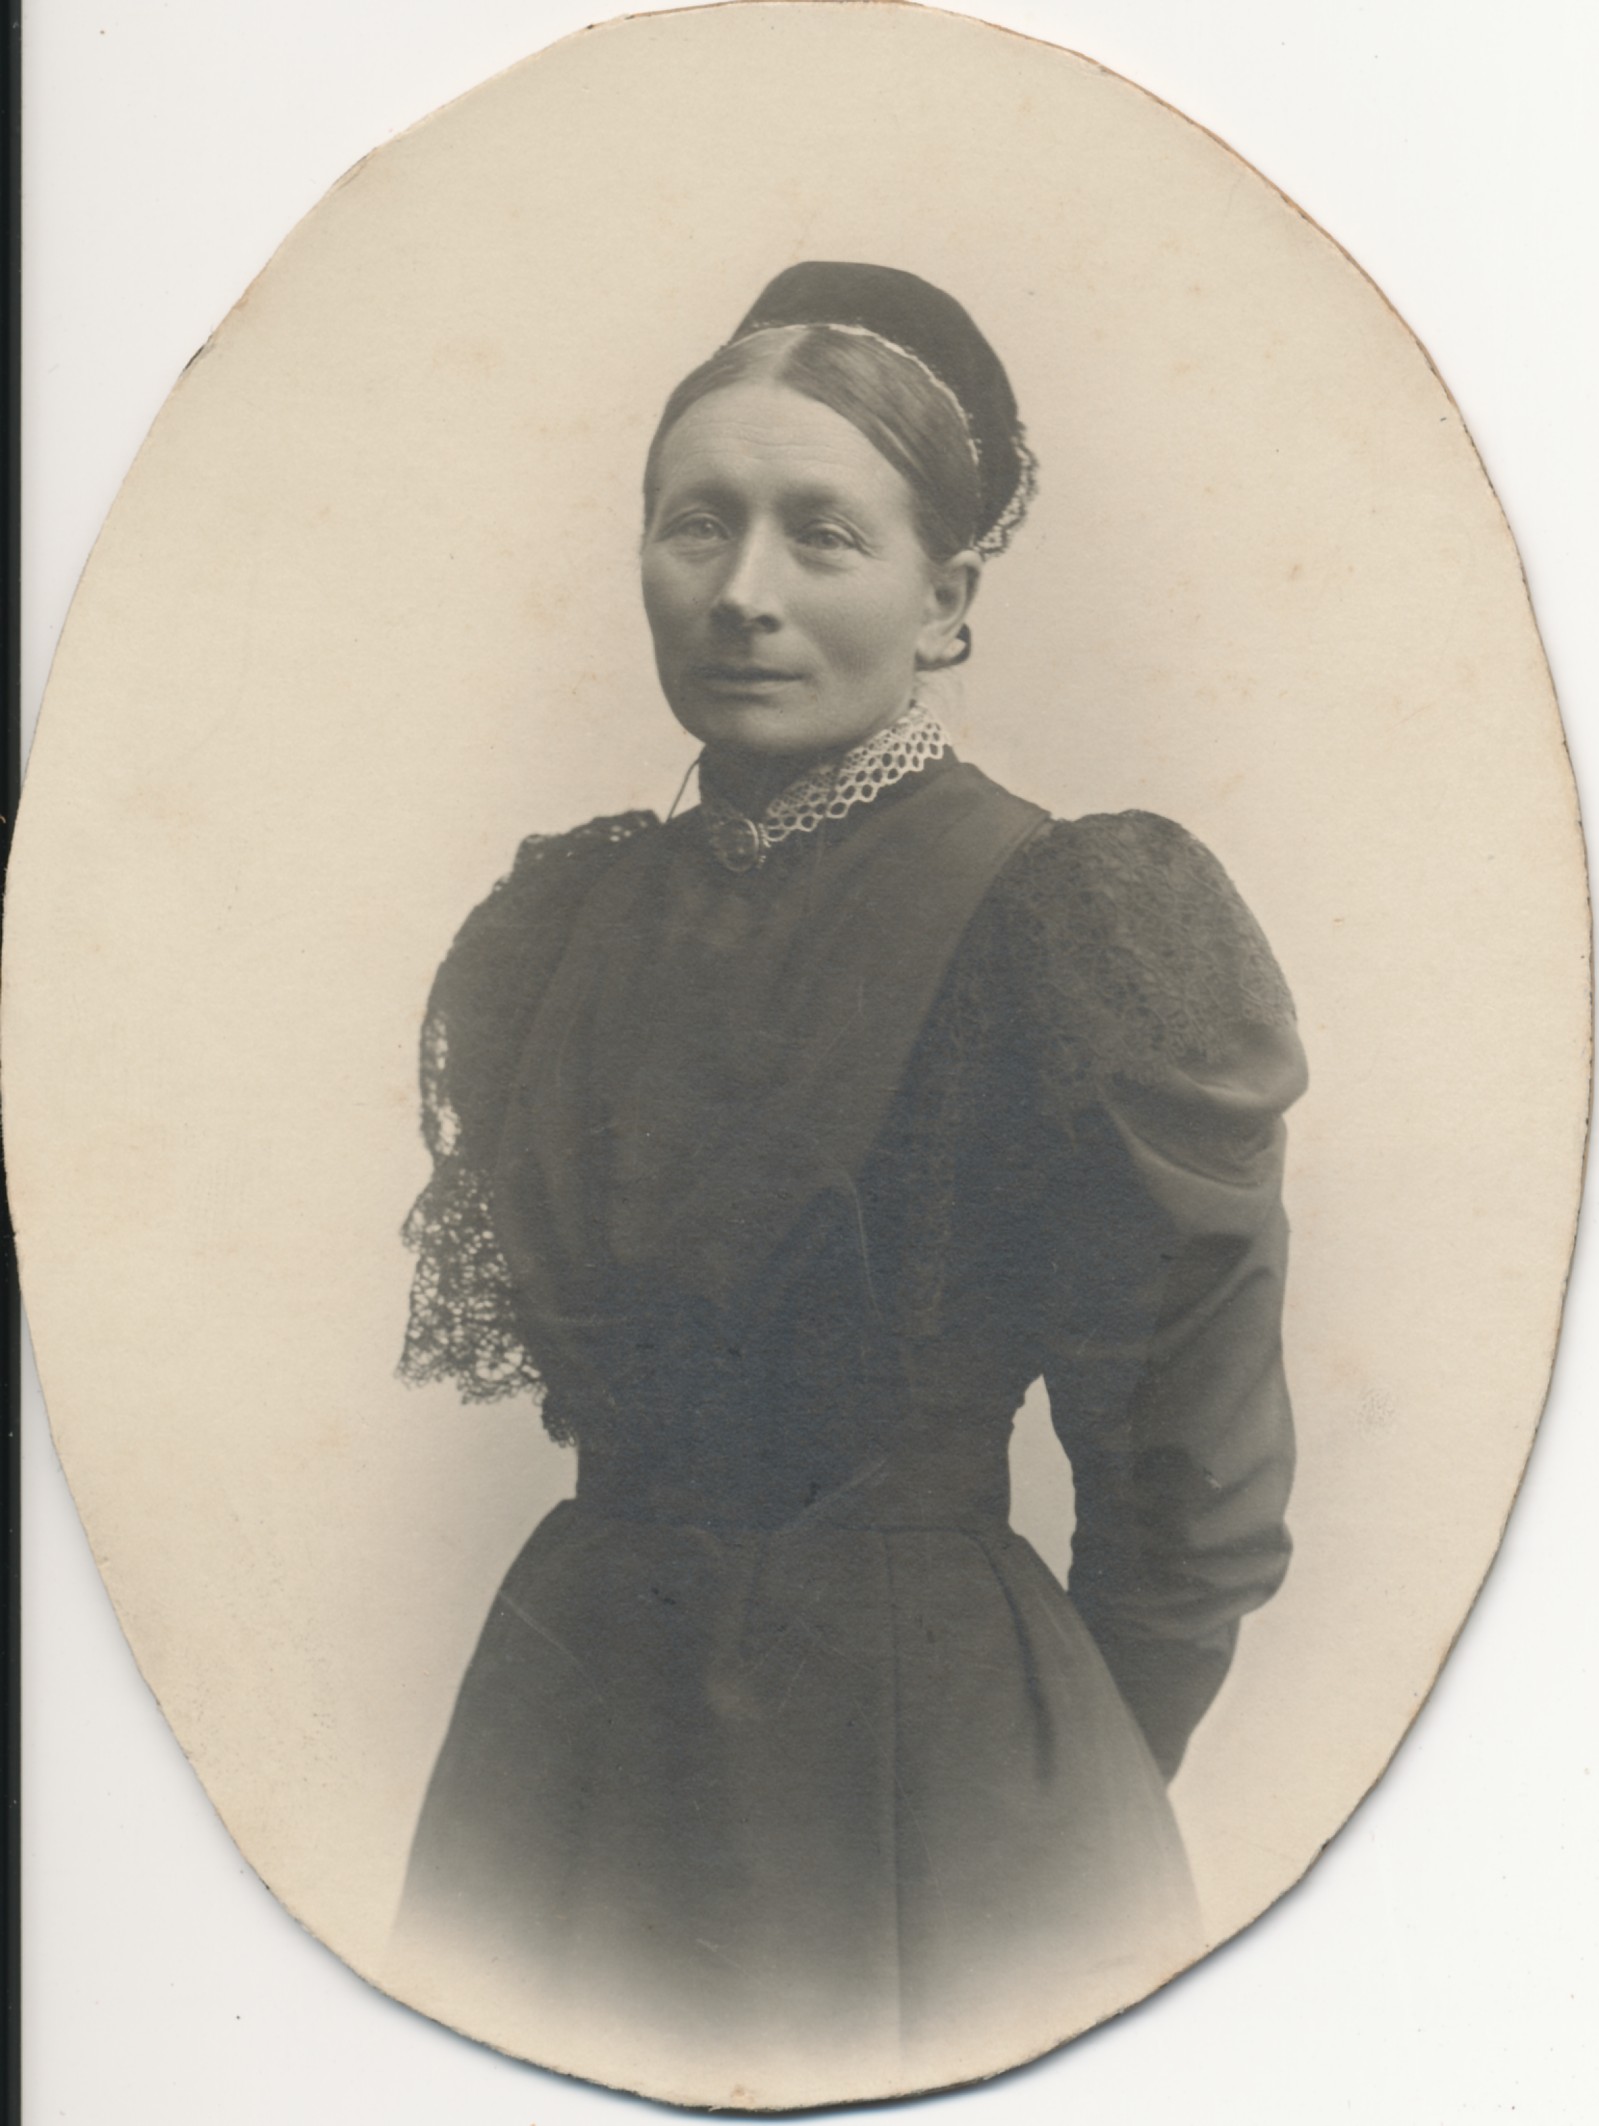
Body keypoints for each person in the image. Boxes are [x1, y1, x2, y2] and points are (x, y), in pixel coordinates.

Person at [390, 262, 1307, 2093]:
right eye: (697, 524)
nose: (744, 591)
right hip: (576, 1734)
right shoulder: (561, 923)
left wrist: (1056, 1784)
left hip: (930, 1758)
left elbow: (1187, 1494)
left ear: (944, 596)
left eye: (823, 535)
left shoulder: (1068, 920)